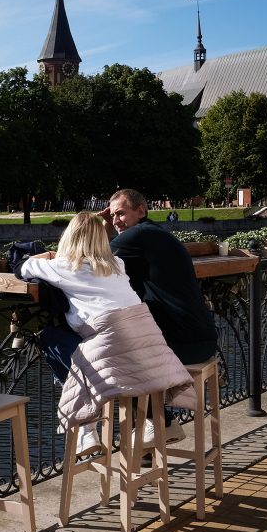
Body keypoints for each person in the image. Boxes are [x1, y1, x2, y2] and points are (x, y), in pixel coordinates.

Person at [17, 211, 194, 456]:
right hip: (150, 344)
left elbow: (21, 267)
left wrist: (47, 255)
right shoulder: (117, 264)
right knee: (104, 351)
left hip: (115, 346)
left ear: (69, 237)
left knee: (51, 338)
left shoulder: (63, 266)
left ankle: (85, 429)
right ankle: (161, 419)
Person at [99, 188, 220, 446]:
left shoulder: (137, 235)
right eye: (111, 216)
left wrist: (98, 226)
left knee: (114, 360)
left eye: (120, 213)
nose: (115, 220)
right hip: (202, 338)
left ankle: (161, 423)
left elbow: (84, 262)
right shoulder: (156, 234)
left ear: (141, 211)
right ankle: (153, 435)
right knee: (123, 350)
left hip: (186, 345)